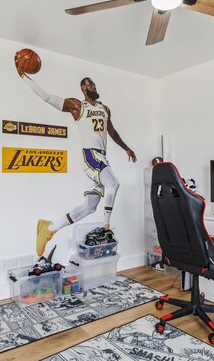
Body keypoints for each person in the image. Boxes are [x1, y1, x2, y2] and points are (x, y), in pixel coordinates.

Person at [22, 74, 137, 256]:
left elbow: (112, 132)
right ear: (83, 88)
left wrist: (126, 148)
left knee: (90, 206)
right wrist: (24, 76)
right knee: (113, 184)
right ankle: (106, 225)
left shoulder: (104, 108)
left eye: (94, 83)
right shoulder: (78, 106)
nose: (94, 86)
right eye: (90, 84)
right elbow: (48, 97)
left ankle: (49, 228)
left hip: (102, 158)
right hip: (90, 155)